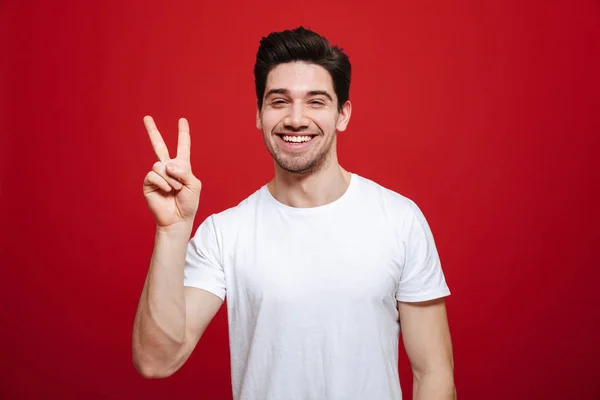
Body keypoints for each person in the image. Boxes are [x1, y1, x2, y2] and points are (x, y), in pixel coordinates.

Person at [132, 26, 456, 400]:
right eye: (279, 101)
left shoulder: (400, 220)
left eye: (316, 101)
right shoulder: (226, 233)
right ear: (259, 114)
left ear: (342, 114)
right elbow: (157, 360)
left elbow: (434, 372)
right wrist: (172, 231)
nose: (296, 119)